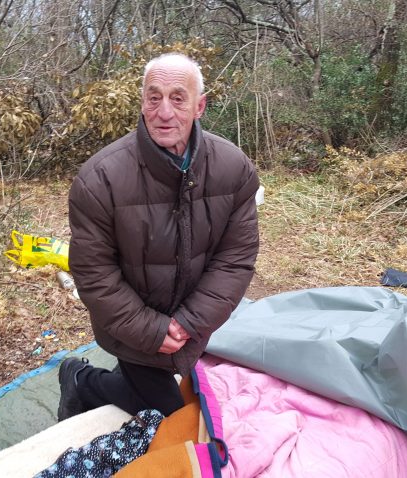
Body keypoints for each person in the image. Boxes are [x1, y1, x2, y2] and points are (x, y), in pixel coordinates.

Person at [59, 53, 259, 421]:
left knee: (203, 406)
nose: (164, 112)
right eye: (154, 97)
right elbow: (94, 274)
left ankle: (104, 380)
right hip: (131, 329)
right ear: (142, 103)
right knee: (175, 418)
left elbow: (236, 257)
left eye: (178, 98)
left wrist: (191, 322)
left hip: (195, 323)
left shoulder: (233, 169)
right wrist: (152, 331)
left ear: (200, 106)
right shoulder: (99, 179)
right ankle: (80, 379)